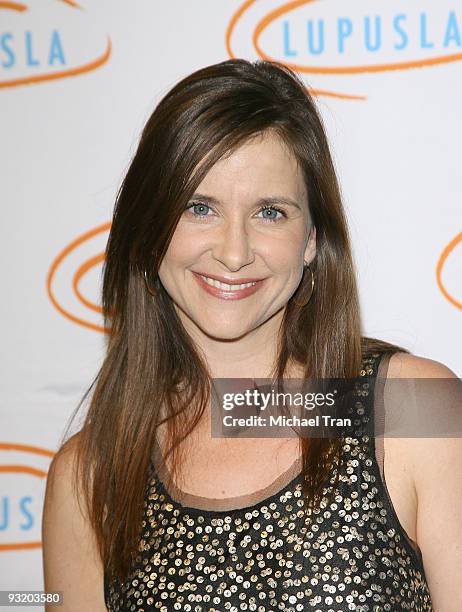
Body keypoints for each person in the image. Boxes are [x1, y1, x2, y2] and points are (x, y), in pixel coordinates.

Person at [41, 58, 462, 611]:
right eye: (199, 208)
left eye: (270, 212)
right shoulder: (88, 477)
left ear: (312, 238)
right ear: (148, 232)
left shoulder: (409, 410)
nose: (234, 253)